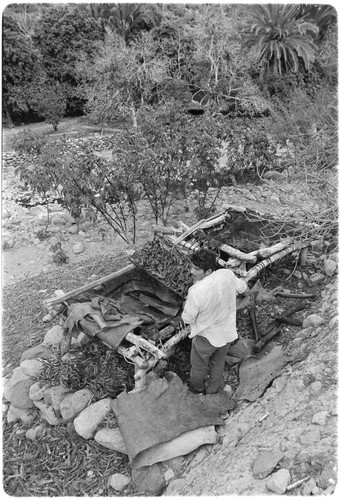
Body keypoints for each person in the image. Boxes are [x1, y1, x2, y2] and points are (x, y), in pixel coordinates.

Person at [181, 248, 248, 394]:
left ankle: (197, 390)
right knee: (218, 363)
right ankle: (213, 390)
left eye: (196, 269)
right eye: (191, 266)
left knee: (198, 367)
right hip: (227, 332)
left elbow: (188, 319)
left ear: (208, 271)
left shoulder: (196, 291)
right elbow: (243, 287)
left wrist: (185, 306)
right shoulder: (226, 274)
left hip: (206, 337)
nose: (191, 271)